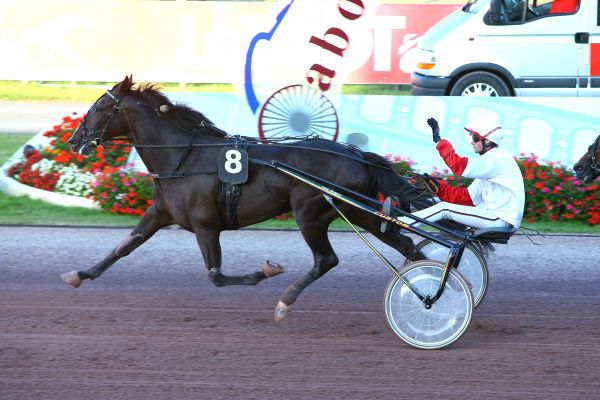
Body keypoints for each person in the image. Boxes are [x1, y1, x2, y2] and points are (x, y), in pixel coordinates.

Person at [397, 117, 525, 231]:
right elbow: (467, 197)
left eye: (475, 138)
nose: (471, 142)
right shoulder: (489, 164)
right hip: (495, 215)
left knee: (444, 209)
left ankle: (401, 223)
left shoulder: (495, 159)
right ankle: (404, 217)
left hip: (501, 219)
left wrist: (439, 141)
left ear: (487, 141)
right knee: (437, 202)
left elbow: (460, 166)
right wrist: (438, 187)